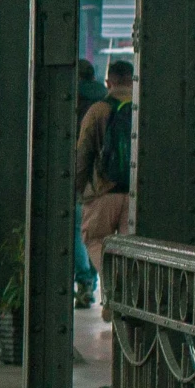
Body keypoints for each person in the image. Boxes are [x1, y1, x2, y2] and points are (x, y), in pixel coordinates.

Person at [76, 60, 138, 278]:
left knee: (95, 240)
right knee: (129, 250)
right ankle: (124, 296)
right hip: (134, 194)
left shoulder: (98, 110)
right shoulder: (143, 111)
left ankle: (113, 283)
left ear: (108, 82)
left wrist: (79, 189)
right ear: (133, 81)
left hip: (102, 191)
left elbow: (83, 153)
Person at [74, 60, 108, 307]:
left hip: (80, 176)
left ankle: (85, 280)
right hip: (106, 179)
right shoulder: (108, 102)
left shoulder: (72, 101)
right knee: (98, 234)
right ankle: (100, 282)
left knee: (77, 230)